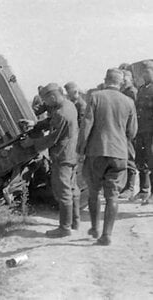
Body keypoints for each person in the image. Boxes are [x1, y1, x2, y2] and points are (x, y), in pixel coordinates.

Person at [77, 68, 138, 246]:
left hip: (97, 152)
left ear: (105, 80)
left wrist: (81, 149)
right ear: (120, 83)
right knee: (112, 196)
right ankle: (107, 235)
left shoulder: (96, 97)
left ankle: (95, 228)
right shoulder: (128, 102)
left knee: (94, 192)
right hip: (119, 153)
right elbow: (132, 132)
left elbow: (86, 125)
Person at [20, 83, 80, 237]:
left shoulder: (61, 112)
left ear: (52, 97)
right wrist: (35, 124)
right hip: (72, 154)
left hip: (62, 155)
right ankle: (75, 221)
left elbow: (52, 139)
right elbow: (51, 121)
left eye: (46, 101)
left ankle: (65, 228)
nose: (45, 104)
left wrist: (32, 143)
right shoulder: (68, 105)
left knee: (63, 190)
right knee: (72, 188)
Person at [134, 60, 153, 205]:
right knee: (142, 161)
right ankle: (144, 190)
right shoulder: (141, 89)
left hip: (151, 131)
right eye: (144, 72)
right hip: (141, 130)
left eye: (147, 71)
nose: (145, 75)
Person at [119, 70, 138, 200]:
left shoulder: (132, 92)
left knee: (130, 159)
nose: (123, 82)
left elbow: (134, 113)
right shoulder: (123, 92)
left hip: (129, 130)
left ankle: (130, 188)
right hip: (122, 130)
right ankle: (126, 186)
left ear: (130, 79)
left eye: (125, 80)